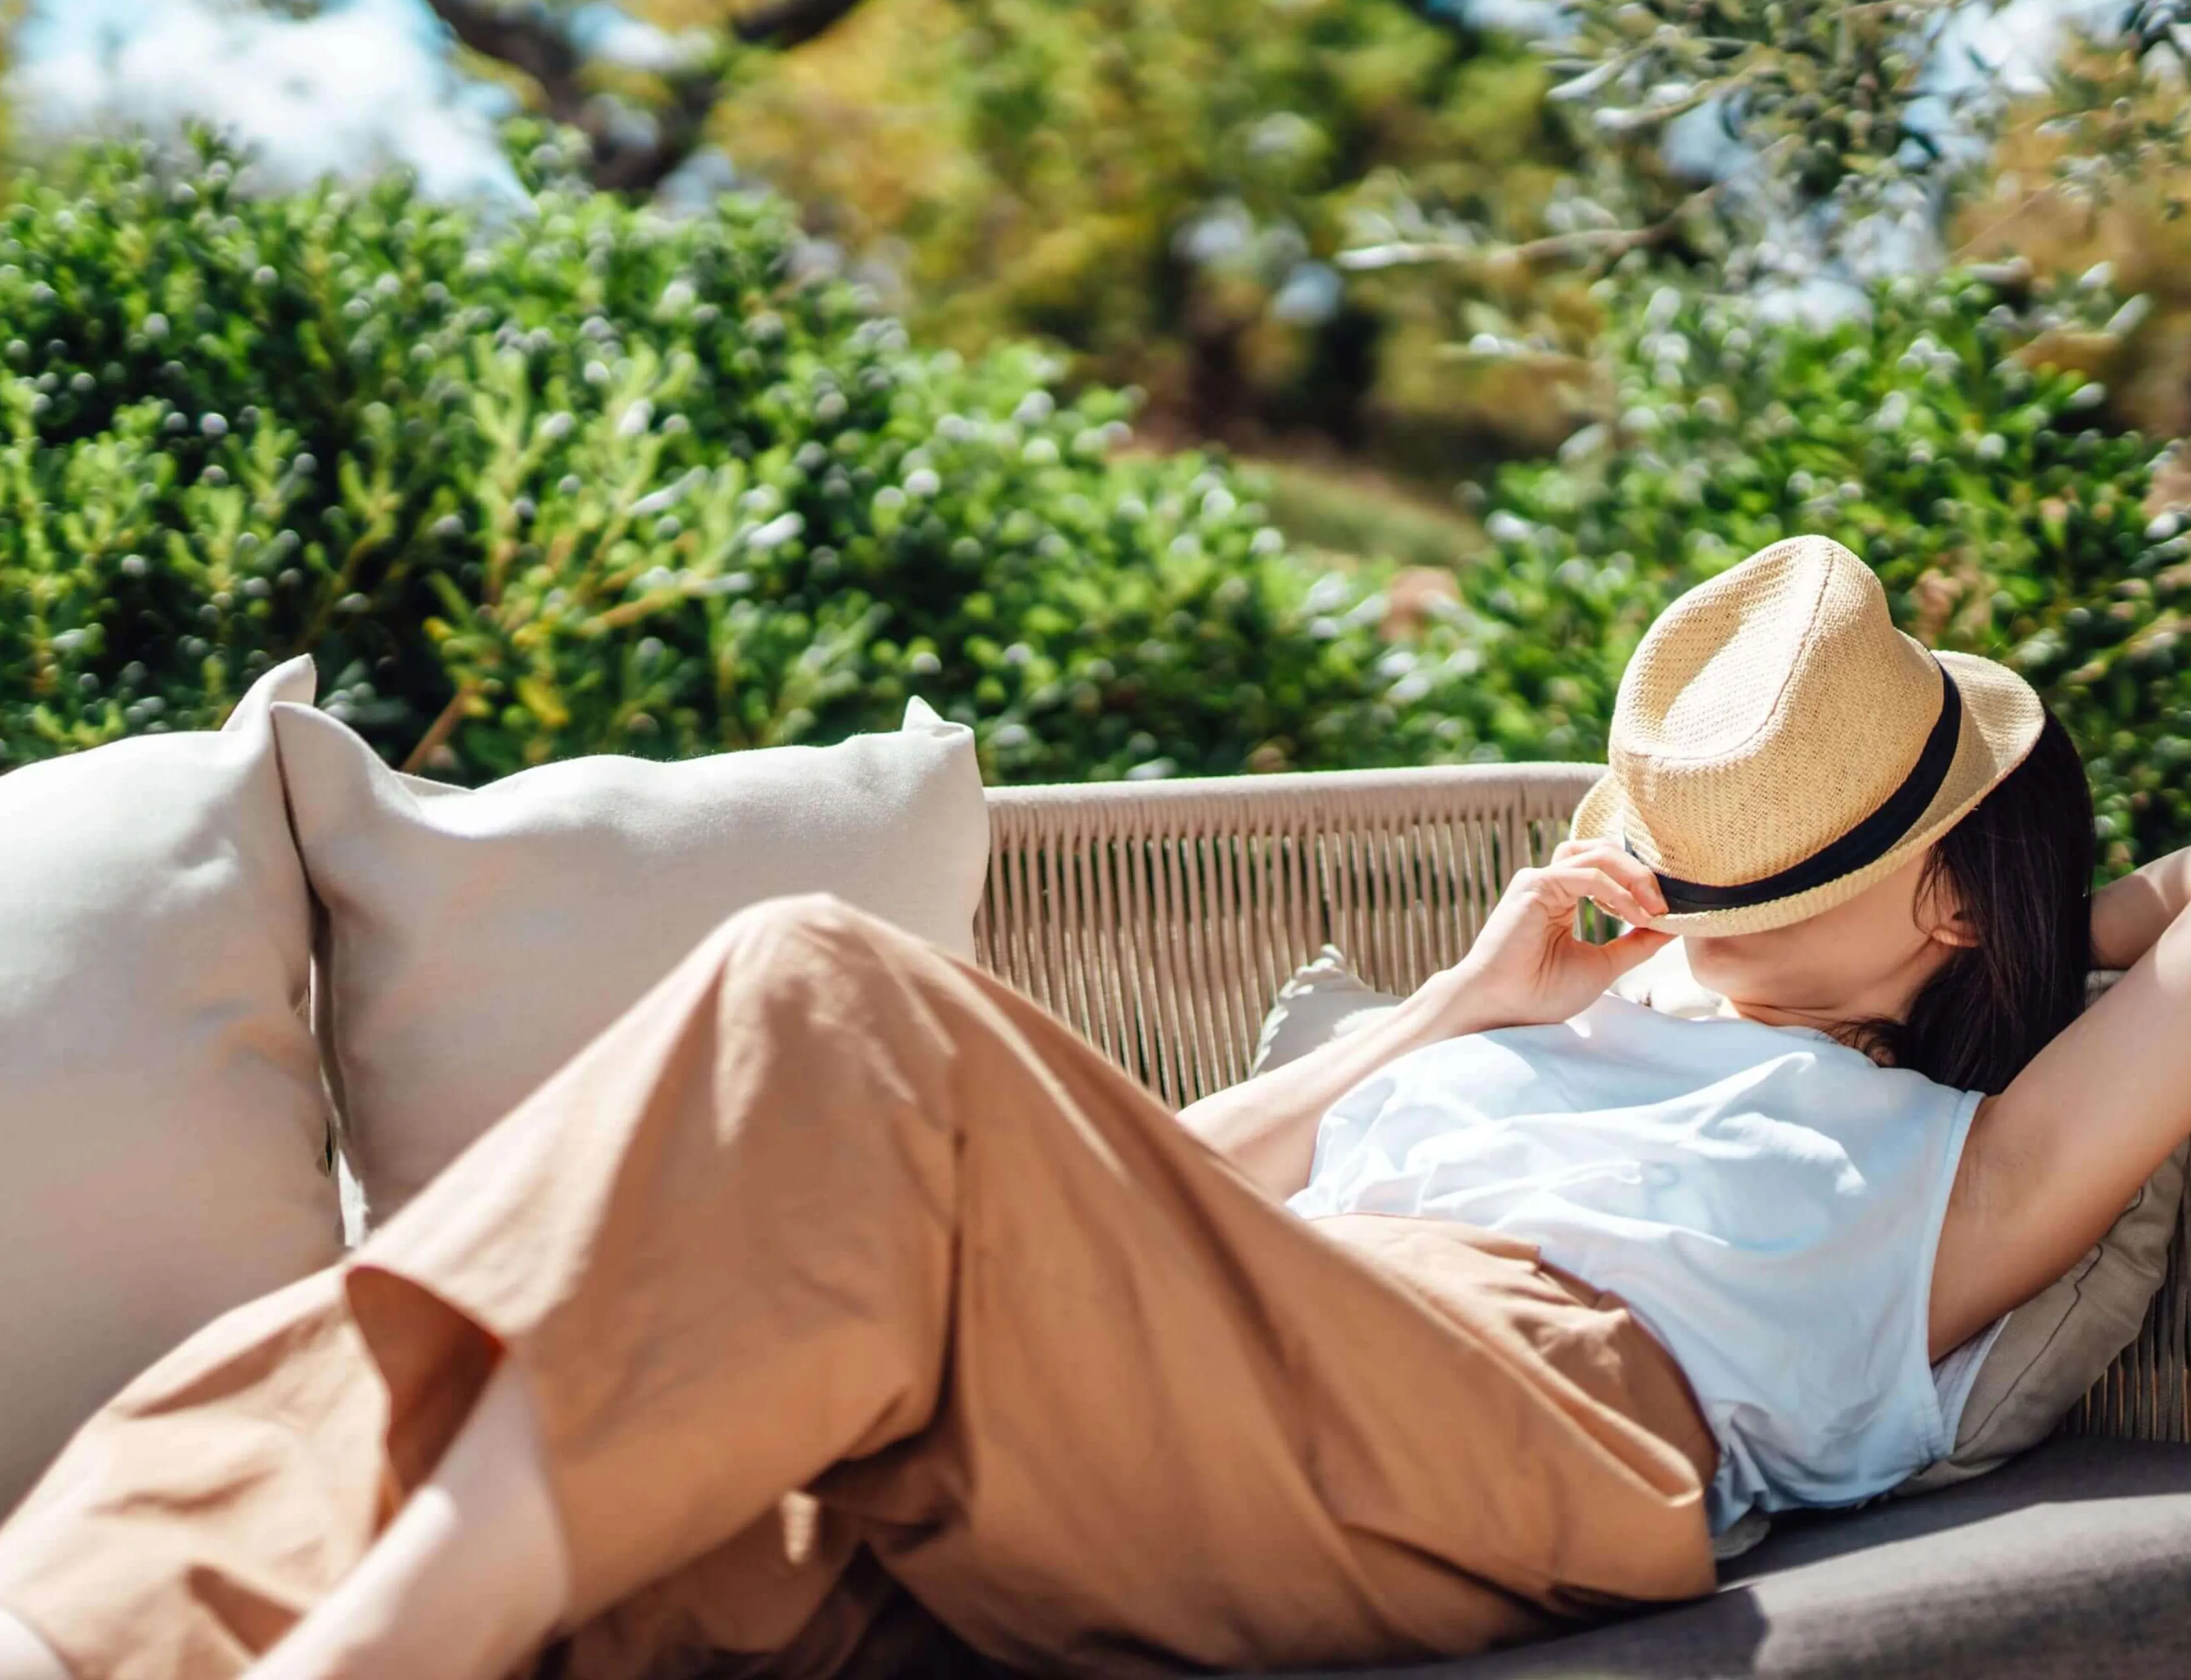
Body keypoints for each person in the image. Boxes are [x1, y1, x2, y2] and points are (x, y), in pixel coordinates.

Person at [5, 533, 2191, 1680]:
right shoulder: (1555, 1028)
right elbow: (1152, 1175)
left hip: (1528, 1429)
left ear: (1945, 887)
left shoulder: (1968, 1169)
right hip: (1230, 1372)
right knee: (606, 1511)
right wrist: (1447, 1011)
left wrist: (2055, 941)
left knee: (815, 992)